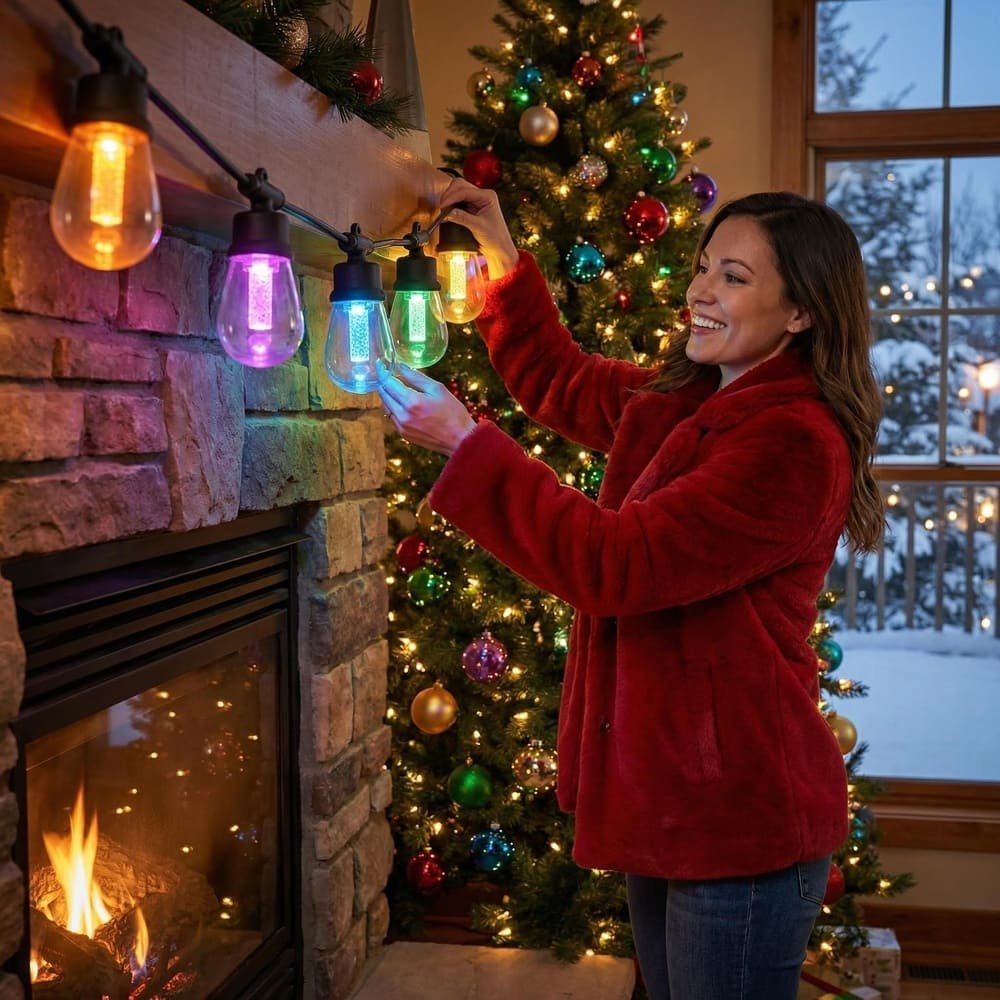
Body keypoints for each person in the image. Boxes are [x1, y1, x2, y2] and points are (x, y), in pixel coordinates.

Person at [377, 178, 884, 1000]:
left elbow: (615, 565)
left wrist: (466, 445)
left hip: (740, 815)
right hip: (672, 796)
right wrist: (504, 261)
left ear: (802, 313)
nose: (699, 292)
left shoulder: (794, 442)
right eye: (703, 266)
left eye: (735, 277)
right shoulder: (688, 396)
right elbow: (562, 380)